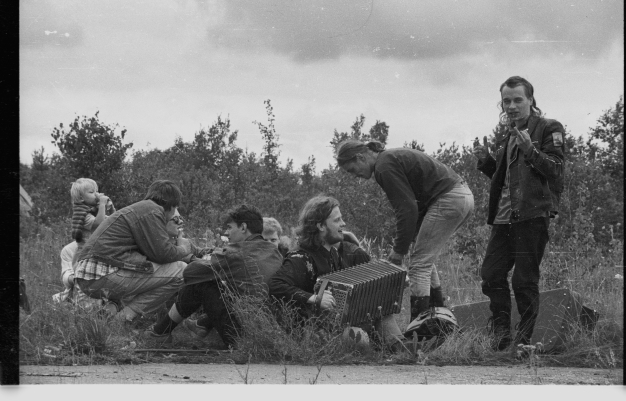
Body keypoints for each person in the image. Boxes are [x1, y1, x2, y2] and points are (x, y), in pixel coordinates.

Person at [336, 140, 474, 336]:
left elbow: (407, 208)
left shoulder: (383, 166)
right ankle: (440, 325)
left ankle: (419, 334)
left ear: (361, 157)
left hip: (449, 198)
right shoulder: (388, 159)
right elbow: (413, 205)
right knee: (425, 261)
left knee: (419, 266)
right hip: (461, 196)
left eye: (352, 169)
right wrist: (409, 239)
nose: (355, 175)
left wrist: (398, 250)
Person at [472, 76, 565, 351]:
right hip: (503, 219)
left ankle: (522, 341)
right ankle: (501, 334)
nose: (511, 106)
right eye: (506, 101)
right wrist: (486, 162)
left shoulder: (548, 128)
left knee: (524, 281)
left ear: (531, 100)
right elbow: (506, 180)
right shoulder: (507, 134)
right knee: (491, 275)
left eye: (517, 100)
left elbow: (556, 170)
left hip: (532, 216)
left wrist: (531, 150)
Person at [268, 195, 404, 348]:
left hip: (347, 323)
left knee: (383, 312)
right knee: (356, 337)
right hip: (316, 332)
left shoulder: (338, 252)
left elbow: (368, 283)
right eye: (337, 220)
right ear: (321, 226)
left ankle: (403, 351)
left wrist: (395, 282)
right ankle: (382, 352)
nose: (343, 223)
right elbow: (275, 285)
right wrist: (315, 298)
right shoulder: (301, 257)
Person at [145, 205, 283, 347]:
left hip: (243, 337)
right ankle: (201, 325)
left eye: (230, 227)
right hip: (273, 333)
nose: (227, 233)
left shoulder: (237, 252)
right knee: (229, 286)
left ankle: (160, 332)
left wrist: (188, 256)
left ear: (243, 227)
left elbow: (190, 273)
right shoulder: (275, 251)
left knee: (201, 284)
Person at [75, 180, 196, 323]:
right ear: (171, 204)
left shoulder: (140, 209)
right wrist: (183, 248)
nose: (173, 217)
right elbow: (163, 254)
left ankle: (109, 314)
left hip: (88, 275)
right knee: (181, 271)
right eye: (175, 211)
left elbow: (153, 255)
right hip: (101, 274)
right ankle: (123, 319)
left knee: (150, 271)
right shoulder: (153, 210)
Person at [69, 178, 116, 269]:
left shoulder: (93, 211)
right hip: (84, 256)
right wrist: (102, 205)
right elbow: (99, 224)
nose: (96, 194)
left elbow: (113, 220)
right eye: (91, 192)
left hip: (92, 253)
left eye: (97, 191)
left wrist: (111, 208)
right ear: (81, 198)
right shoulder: (82, 214)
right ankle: (70, 280)